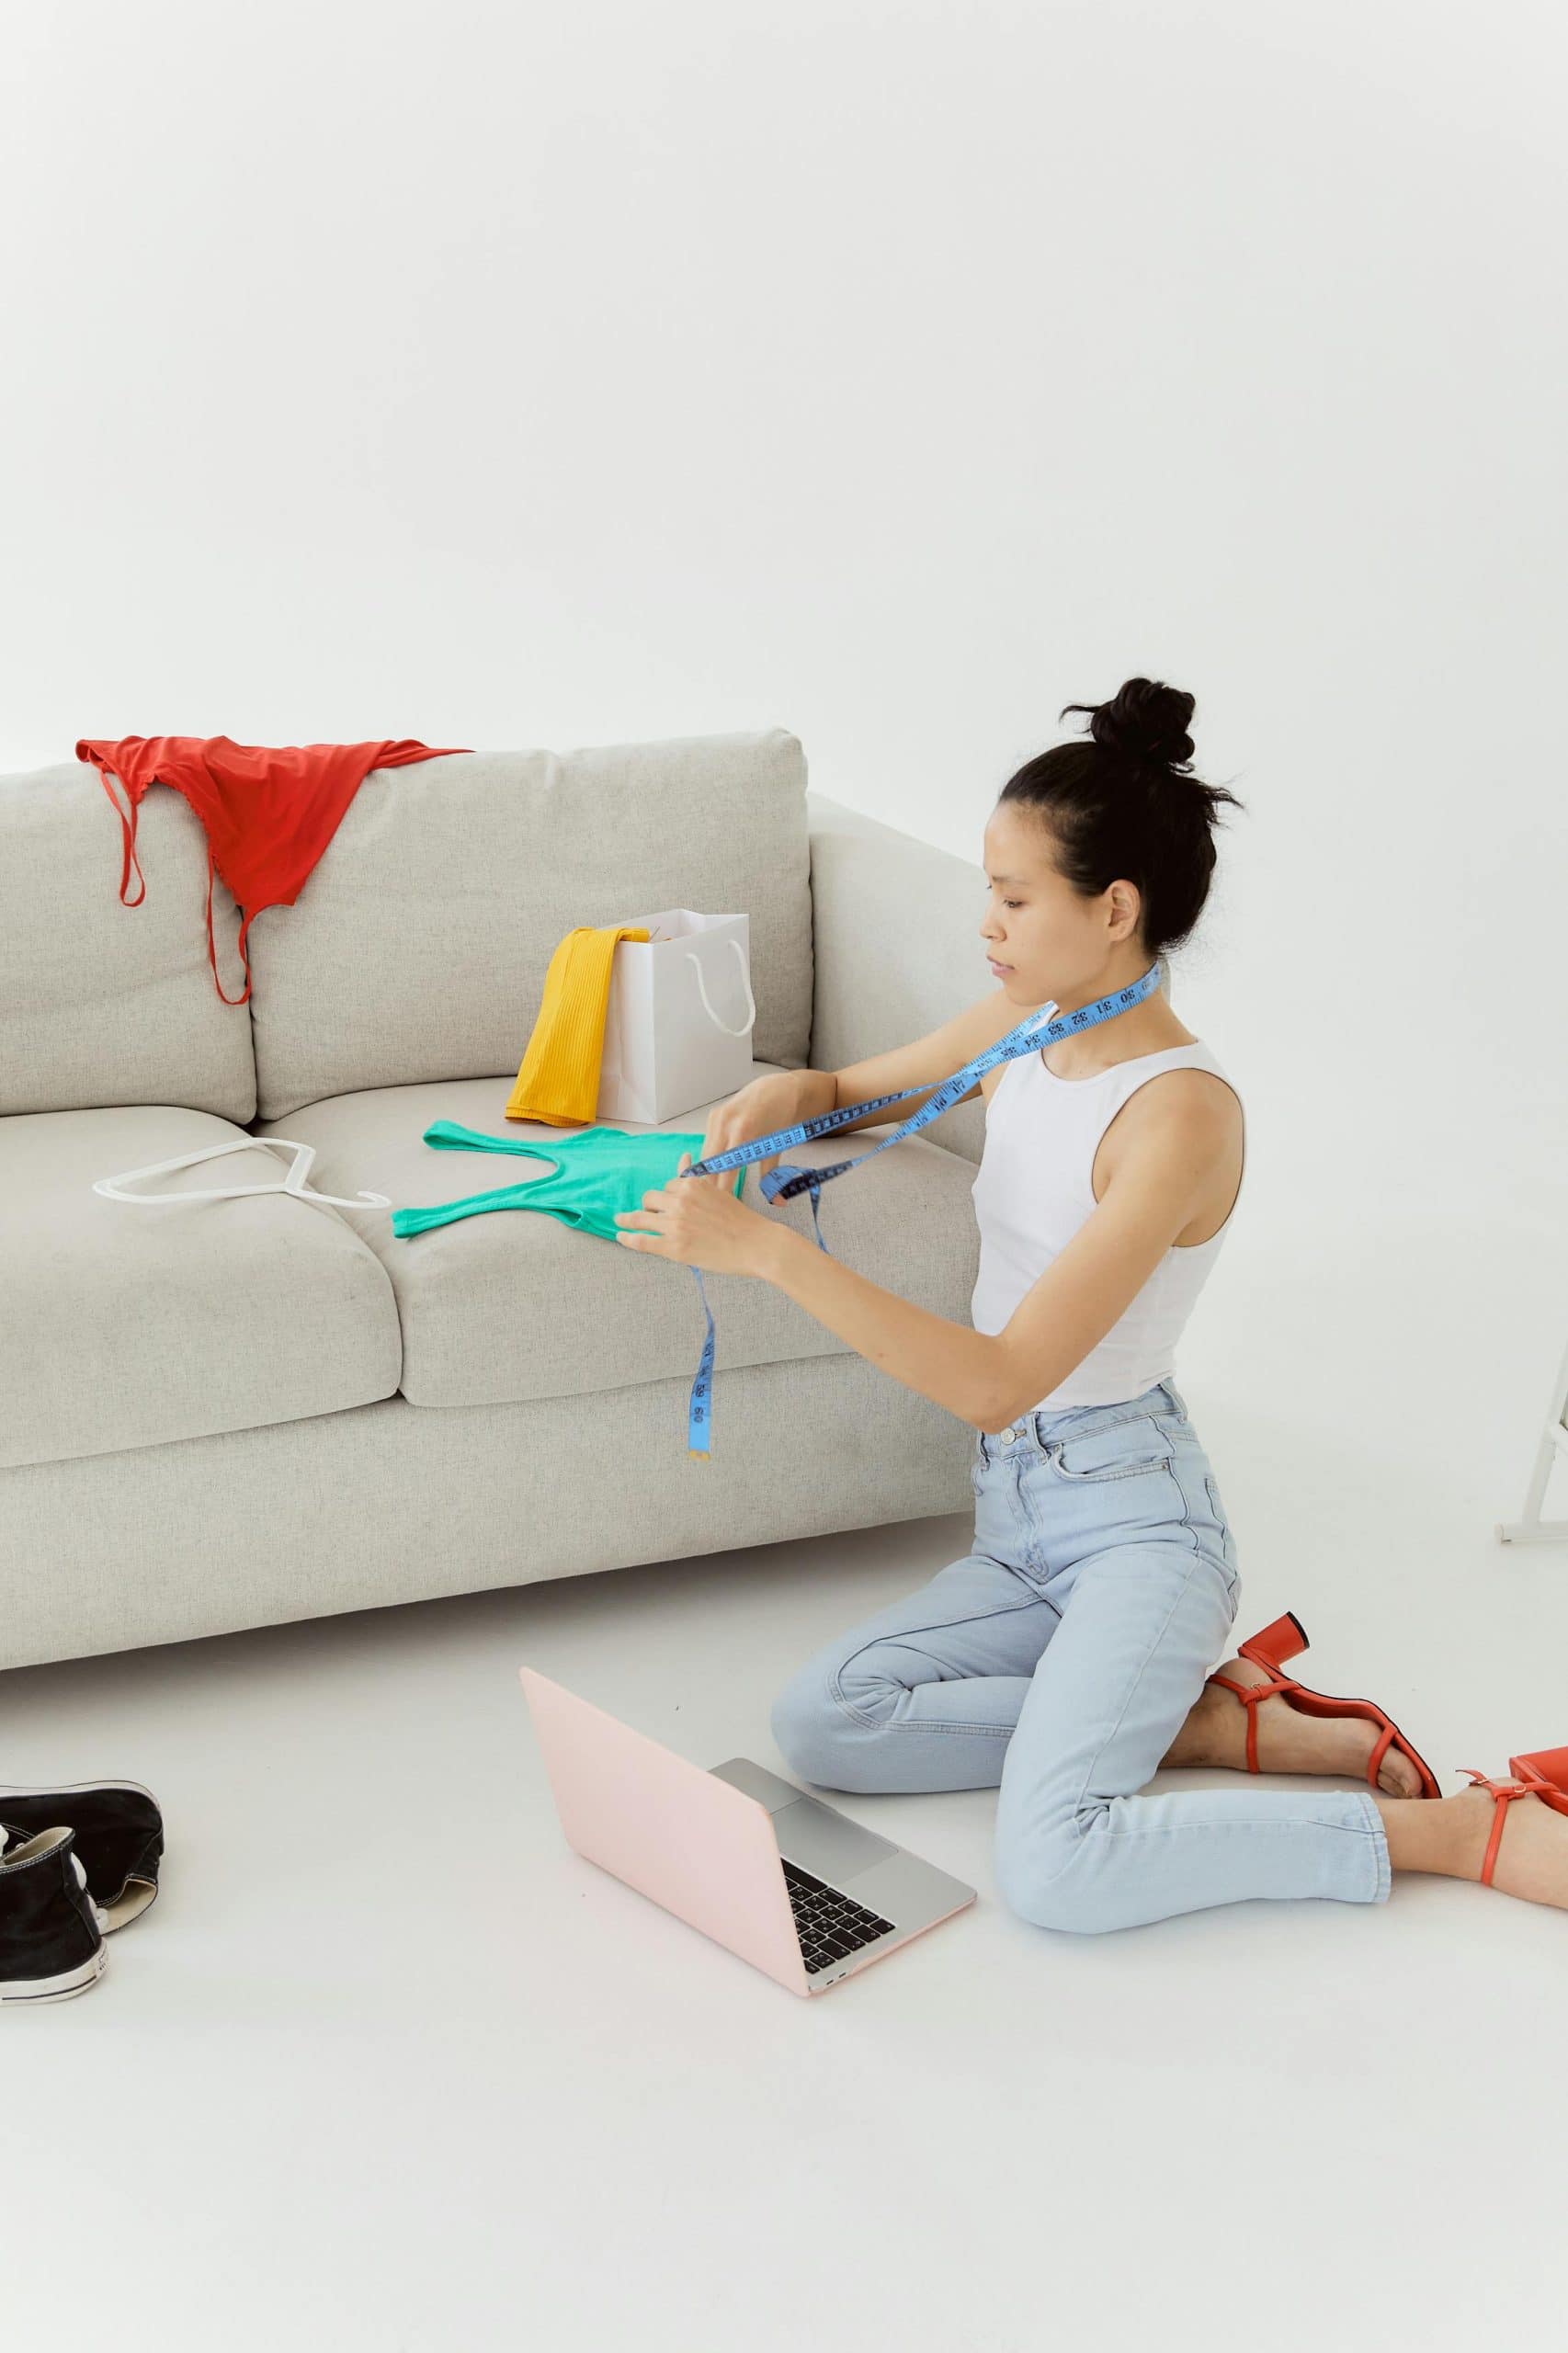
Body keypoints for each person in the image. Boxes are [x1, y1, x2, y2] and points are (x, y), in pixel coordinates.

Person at [612, 676, 1568, 1930]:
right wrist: (790, 1094)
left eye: (1013, 900)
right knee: (827, 1722)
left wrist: (767, 1254)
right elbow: (861, 1088)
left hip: (1136, 1530)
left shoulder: (1177, 1114)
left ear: (1114, 909)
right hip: (1019, 1516)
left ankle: (1460, 1829)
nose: (987, 926)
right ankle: (1209, 1724)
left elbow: (1000, 1379)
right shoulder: (1030, 1025)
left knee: (1058, 1868)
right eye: (989, 894)